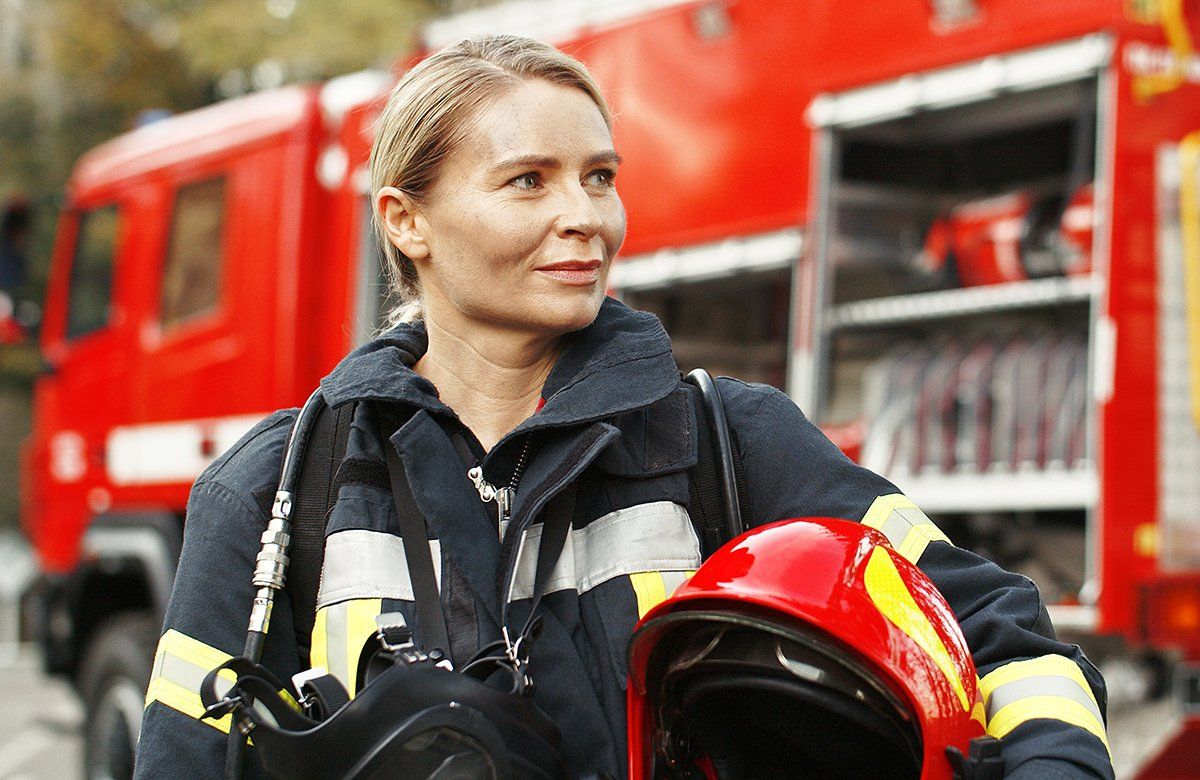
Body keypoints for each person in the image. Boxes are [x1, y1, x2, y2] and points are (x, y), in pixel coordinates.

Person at [136, 35, 1113, 779]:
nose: (587, 218)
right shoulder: (273, 491)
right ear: (407, 221)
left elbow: (998, 634)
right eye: (529, 181)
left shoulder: (731, 441)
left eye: (600, 177)